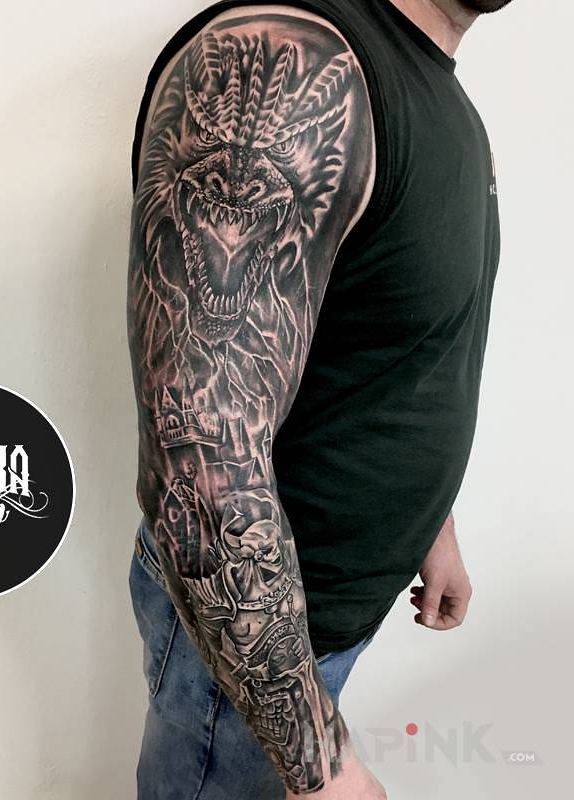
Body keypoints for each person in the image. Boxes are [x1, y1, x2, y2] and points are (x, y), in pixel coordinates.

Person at [125, 1, 513, 797]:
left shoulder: (445, 101)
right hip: (252, 641)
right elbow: (199, 466)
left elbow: (404, 352)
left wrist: (432, 527)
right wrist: (322, 768)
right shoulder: (294, 70)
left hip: (323, 619)